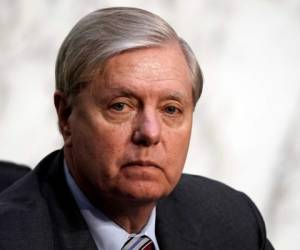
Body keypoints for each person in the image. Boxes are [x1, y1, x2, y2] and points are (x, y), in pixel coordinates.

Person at [0, 7, 274, 250]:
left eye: (170, 109)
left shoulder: (232, 223)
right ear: (66, 115)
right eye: (120, 106)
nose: (150, 133)